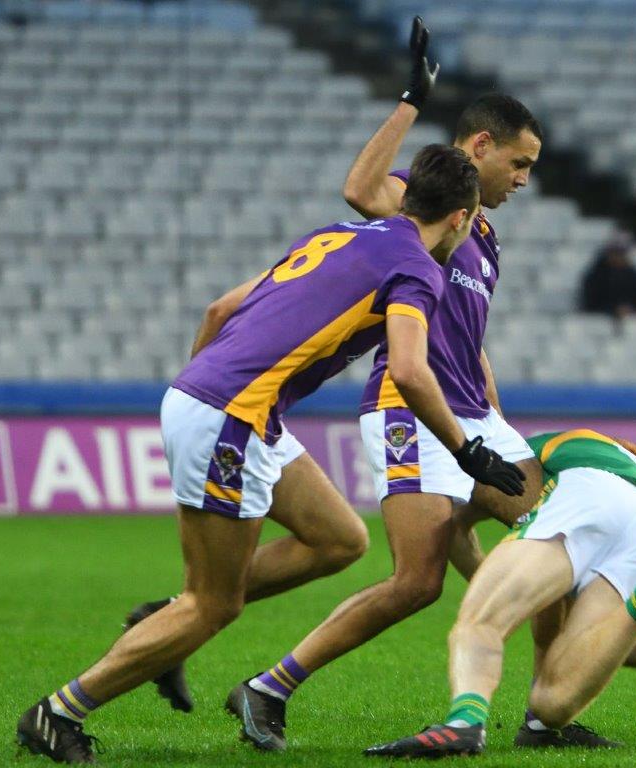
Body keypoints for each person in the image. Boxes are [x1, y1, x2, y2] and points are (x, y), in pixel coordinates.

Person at [13, 144, 526, 765]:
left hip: (226, 405)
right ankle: (59, 712)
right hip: (231, 417)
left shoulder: (341, 234)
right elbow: (413, 373)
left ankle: (164, 622)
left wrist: (198, 391)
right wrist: (467, 450)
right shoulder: (418, 267)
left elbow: (220, 309)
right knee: (215, 604)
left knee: (339, 538)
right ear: (458, 219)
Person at [232, 17, 574, 753]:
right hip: (410, 409)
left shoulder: (480, 234)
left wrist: (495, 417)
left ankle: (547, 715)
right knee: (417, 584)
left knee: (557, 542)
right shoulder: (427, 215)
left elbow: (471, 342)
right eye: (519, 163)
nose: (523, 180)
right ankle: (266, 682)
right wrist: (413, 99)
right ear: (479, 147)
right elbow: (360, 188)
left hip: (475, 416)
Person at [363, 429, 636, 758]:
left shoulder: (551, 444)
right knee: (551, 703)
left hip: (590, 492)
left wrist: (507, 600)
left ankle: (464, 723)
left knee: (481, 623)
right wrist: (602, 654)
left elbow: (457, 521)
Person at [577, 232, 636, 318]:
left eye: (623, 252)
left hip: (630, 319)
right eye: (616, 252)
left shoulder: (633, 274)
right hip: (601, 320)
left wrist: (631, 309)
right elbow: (590, 304)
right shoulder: (595, 275)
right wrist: (614, 310)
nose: (620, 256)